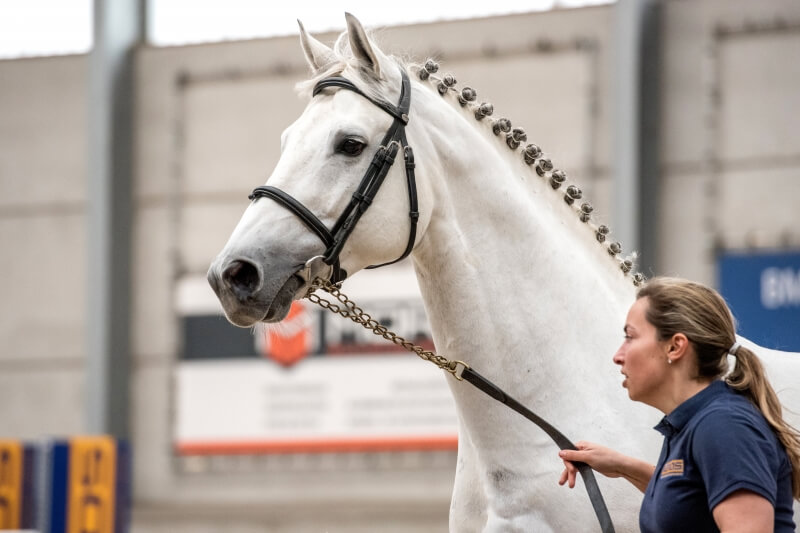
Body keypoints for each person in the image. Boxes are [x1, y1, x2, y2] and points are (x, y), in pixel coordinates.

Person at [557, 277, 799, 532]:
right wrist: (622, 466)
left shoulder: (724, 427)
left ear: (675, 347)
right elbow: (690, 501)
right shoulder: (697, 423)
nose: (618, 356)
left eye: (630, 337)